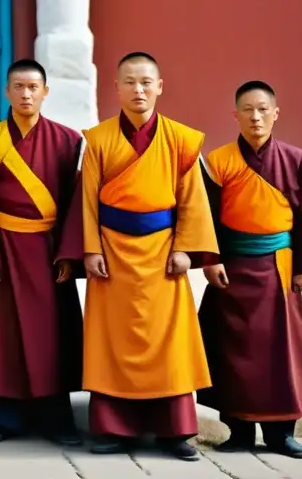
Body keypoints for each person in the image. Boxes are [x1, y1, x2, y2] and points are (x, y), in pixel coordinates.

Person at [79, 52, 218, 461]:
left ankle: (174, 431)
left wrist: (185, 250)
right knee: (113, 341)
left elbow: (192, 200)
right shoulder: (99, 139)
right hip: (112, 254)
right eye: (129, 82)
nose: (138, 90)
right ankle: (111, 429)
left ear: (159, 86)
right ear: (116, 88)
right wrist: (90, 248)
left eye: (146, 82)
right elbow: (88, 200)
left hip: (163, 254)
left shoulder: (181, 139)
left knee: (168, 341)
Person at [198, 81, 302, 459]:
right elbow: (206, 218)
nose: (256, 116)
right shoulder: (218, 161)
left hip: (280, 268)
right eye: (248, 109)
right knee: (233, 351)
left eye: (263, 109)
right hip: (233, 268)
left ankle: (282, 434)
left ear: (276, 113)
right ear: (236, 115)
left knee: (282, 352)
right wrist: (210, 261)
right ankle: (239, 431)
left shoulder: (296, 160)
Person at [0, 59, 83, 446]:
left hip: (48, 251)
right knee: (2, 334)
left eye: (33, 87)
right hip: (3, 249)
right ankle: (1, 418)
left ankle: (57, 418)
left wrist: (69, 254)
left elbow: (76, 203)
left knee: (52, 336)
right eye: (18, 87)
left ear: (45, 92)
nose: (26, 94)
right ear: (7, 91)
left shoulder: (68, 141)